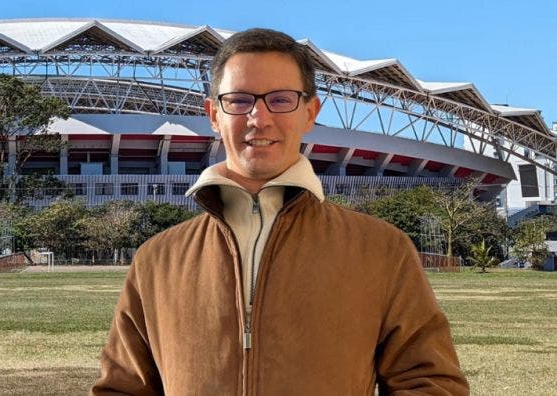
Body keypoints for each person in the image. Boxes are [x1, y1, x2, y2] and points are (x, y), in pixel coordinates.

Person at [91, 28, 468, 395]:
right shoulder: (158, 260)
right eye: (239, 100)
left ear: (310, 112)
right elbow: (123, 388)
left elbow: (431, 383)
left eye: (281, 99)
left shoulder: (381, 250)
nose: (259, 118)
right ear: (213, 114)